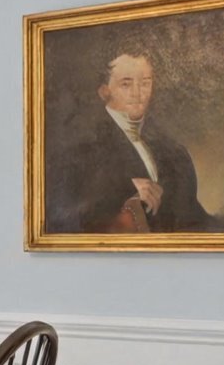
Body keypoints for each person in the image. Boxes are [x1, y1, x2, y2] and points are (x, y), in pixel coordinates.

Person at [48, 48, 210, 233]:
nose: (137, 93)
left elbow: (193, 220)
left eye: (145, 83)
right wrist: (124, 190)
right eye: (126, 84)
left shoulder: (175, 153)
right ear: (104, 91)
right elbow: (59, 218)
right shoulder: (80, 148)